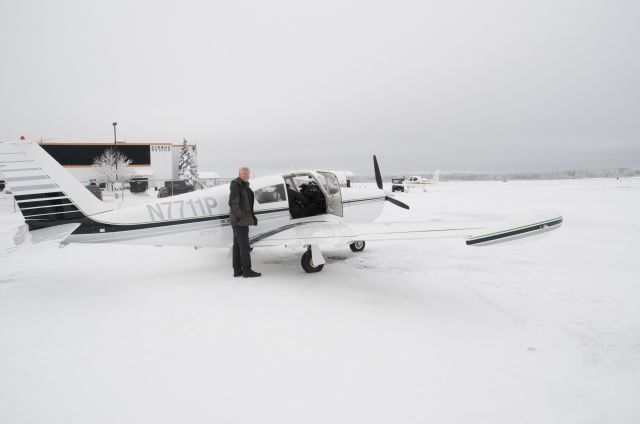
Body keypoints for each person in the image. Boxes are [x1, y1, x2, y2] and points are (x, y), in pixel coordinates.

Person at [229, 167, 261, 278]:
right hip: (239, 222)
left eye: (247, 175)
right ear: (239, 175)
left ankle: (237, 271)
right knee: (244, 246)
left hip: (239, 221)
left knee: (237, 246)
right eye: (243, 175)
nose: (245, 176)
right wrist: (240, 216)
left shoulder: (244, 186)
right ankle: (247, 271)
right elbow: (233, 203)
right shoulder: (236, 185)